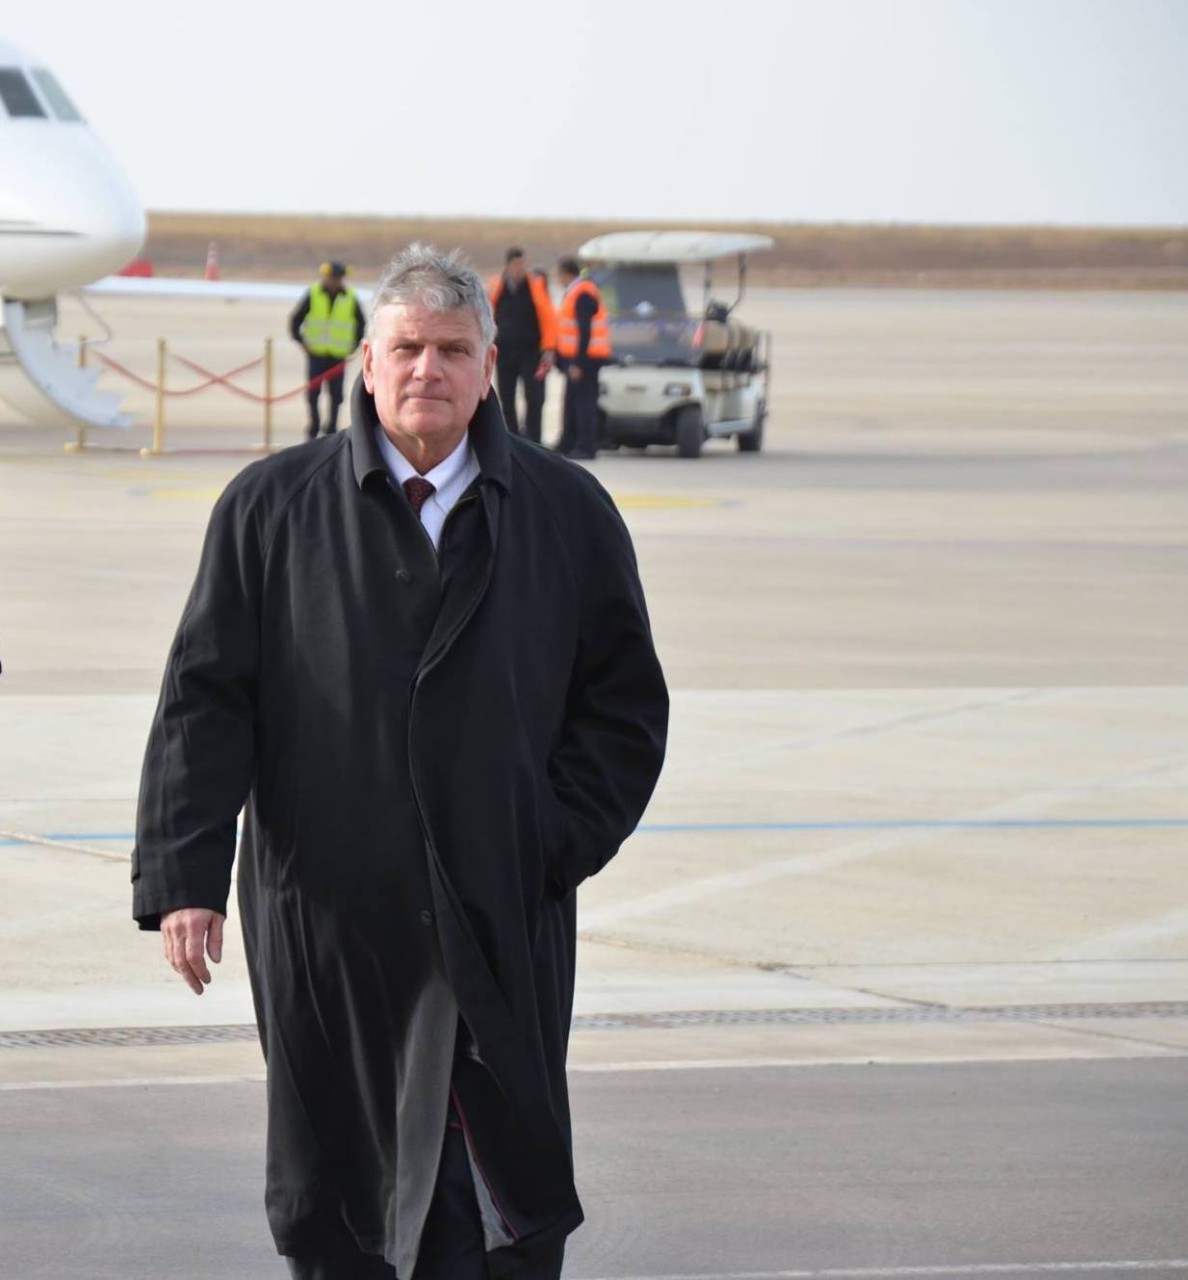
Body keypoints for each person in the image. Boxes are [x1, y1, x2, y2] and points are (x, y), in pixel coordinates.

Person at [132, 243, 668, 1280]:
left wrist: (549, 840)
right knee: (343, 1202)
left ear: (489, 364)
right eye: (408, 348)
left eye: (452, 349)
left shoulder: (566, 513)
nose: (428, 369)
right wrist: (184, 878)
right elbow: (204, 701)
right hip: (329, 920)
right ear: (367, 365)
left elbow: (625, 708)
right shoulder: (270, 509)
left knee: (495, 1202)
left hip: (497, 912)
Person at [288, 260, 367, 439]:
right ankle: (313, 426)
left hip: (338, 356)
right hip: (316, 354)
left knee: (336, 395)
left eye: (338, 278)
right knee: (313, 394)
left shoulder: (350, 297)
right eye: (332, 277)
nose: (335, 281)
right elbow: (295, 320)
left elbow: (361, 324)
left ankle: (331, 427)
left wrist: (353, 347)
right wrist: (301, 342)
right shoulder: (314, 294)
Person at [487, 247, 557, 443]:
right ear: (509, 265)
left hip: (531, 352)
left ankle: (533, 439)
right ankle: (511, 437)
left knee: (534, 397)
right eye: (518, 264)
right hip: (504, 351)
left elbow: (548, 317)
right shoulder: (497, 286)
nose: (522, 268)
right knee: (506, 398)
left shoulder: (535, 285)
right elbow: (486, 315)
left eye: (524, 264)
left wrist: (549, 349)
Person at [554, 256, 611, 460]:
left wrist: (579, 362)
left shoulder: (583, 293)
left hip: (585, 360)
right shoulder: (574, 292)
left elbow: (584, 331)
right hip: (575, 358)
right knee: (571, 401)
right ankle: (568, 442)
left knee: (583, 403)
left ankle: (586, 446)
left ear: (566, 274)